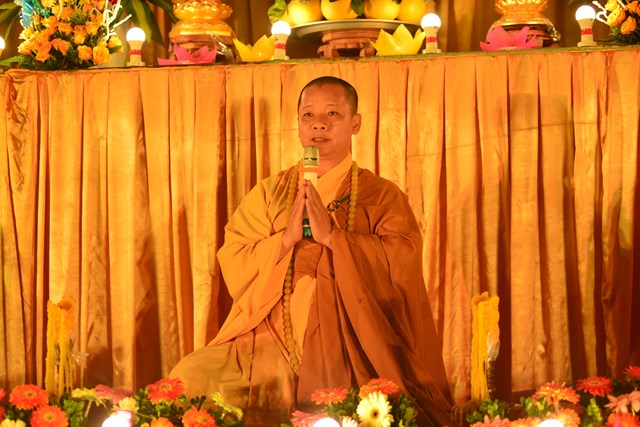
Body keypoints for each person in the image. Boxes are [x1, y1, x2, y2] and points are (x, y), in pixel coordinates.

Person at [169, 76, 453, 426]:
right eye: (308, 115)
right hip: (271, 338)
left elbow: (403, 259)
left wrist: (335, 239)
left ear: (355, 123)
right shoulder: (271, 192)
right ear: (298, 125)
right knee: (191, 377)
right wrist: (285, 240)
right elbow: (234, 257)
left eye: (332, 113)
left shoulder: (382, 195)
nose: (319, 123)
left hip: (353, 343)